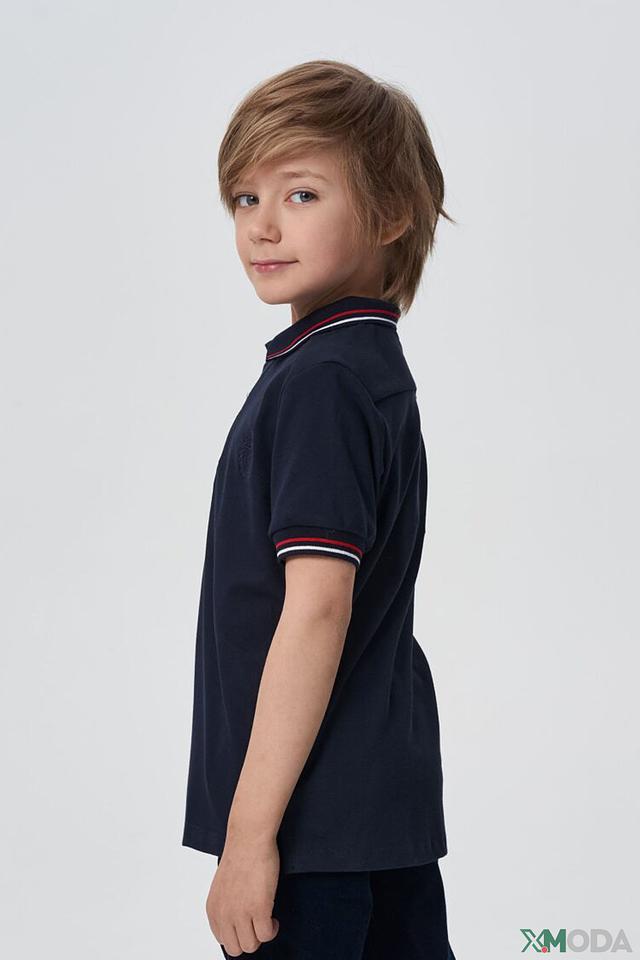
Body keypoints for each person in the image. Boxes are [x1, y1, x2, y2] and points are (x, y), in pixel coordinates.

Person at [182, 59, 458, 959]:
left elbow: (317, 607)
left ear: (391, 212)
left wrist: (248, 838)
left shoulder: (323, 381)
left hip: (312, 830)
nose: (262, 224)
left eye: (300, 194)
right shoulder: (361, 364)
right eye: (245, 197)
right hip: (378, 807)